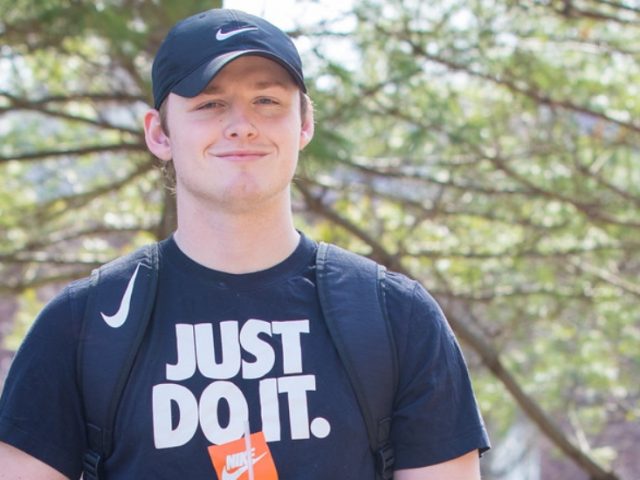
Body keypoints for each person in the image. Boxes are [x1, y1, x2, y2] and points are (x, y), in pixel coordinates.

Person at [0, 8, 490, 479]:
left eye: (267, 101)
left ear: (304, 124)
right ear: (160, 133)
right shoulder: (83, 325)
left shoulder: (395, 317)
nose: (242, 124)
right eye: (210, 103)